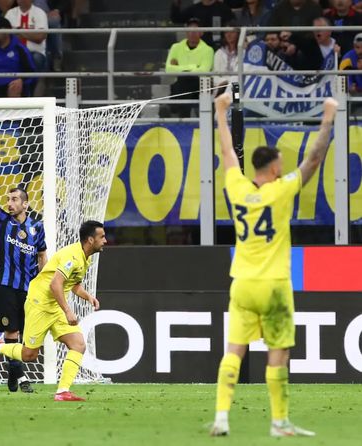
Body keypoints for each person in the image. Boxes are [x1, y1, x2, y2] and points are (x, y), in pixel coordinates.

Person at [209, 92, 337, 437]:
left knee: (234, 350)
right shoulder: (280, 190)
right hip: (275, 285)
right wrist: (328, 117)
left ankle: (221, 417)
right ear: (276, 168)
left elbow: (226, 151)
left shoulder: (237, 188)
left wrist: (219, 111)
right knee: (278, 354)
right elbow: (314, 159)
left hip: (242, 283)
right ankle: (279, 422)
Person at [0, 220, 106, 401]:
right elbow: (55, 284)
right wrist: (68, 311)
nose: (105, 240)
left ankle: (62, 391)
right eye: (102, 237)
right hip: (39, 303)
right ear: (90, 239)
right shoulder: (72, 256)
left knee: (78, 344)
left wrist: (88, 297)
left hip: (55, 306)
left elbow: (73, 284)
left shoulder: (84, 257)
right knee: (29, 355)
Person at [0, 146, 47, 392]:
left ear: (26, 204)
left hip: (30, 289)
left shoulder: (37, 228)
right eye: (8, 199)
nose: (9, 203)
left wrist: (44, 282)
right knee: (11, 331)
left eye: (14, 199)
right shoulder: (3, 221)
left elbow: (42, 255)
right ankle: (20, 377)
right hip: (7, 286)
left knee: (27, 336)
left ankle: (13, 373)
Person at [164, 18, 214, 118]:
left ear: (201, 33)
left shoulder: (208, 50)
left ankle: (179, 113)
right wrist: (194, 67)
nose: (192, 33)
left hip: (200, 86)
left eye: (196, 30)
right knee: (183, 81)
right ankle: (182, 113)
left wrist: (179, 68)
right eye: (190, 30)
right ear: (186, 32)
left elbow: (204, 71)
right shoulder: (176, 47)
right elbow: (169, 69)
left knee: (185, 82)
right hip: (181, 84)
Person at [171, 0, 235, 47]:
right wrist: (176, 3)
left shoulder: (223, 8)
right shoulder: (194, 9)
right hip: (198, 47)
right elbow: (176, 19)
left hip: (219, 47)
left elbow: (233, 26)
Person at [5, 0, 48, 70]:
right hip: (14, 51)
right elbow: (5, 36)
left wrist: (20, 32)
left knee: (36, 58)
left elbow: (40, 37)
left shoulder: (40, 13)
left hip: (34, 52)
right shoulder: (10, 13)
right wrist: (30, 34)